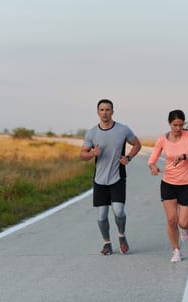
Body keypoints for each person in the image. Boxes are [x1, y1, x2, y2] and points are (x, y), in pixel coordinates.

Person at [80, 98, 142, 256]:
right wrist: (92, 153)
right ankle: (107, 243)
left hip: (117, 176)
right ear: (97, 112)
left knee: (118, 211)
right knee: (101, 216)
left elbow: (137, 144)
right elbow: (83, 154)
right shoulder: (92, 132)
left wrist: (128, 158)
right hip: (100, 179)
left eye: (108, 110)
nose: (105, 113)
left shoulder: (123, 129)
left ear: (112, 112)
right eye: (102, 110)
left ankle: (122, 236)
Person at [148, 110, 188, 262]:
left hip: (187, 184)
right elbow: (152, 159)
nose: (178, 128)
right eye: (175, 125)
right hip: (168, 183)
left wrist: (184, 156)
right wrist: (153, 167)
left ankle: (186, 227)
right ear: (170, 124)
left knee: (183, 222)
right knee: (171, 220)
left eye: (181, 125)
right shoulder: (162, 139)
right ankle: (176, 250)